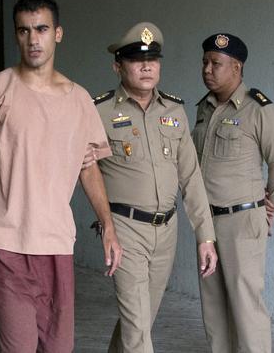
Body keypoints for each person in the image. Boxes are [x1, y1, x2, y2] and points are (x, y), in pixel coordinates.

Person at [0, 0, 122, 352]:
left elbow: (89, 166)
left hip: (56, 243)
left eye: (42, 29)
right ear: (17, 36)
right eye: (24, 30)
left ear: (58, 34)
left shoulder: (79, 100)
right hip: (5, 242)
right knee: (19, 346)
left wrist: (108, 225)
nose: (33, 39)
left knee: (58, 347)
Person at [92, 22, 218, 353]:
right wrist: (105, 226)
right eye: (135, 59)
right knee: (137, 328)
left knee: (141, 320)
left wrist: (206, 237)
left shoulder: (174, 111)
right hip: (125, 229)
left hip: (166, 231)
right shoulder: (99, 112)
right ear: (117, 66)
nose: (146, 67)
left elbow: (191, 177)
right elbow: (80, 170)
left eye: (153, 59)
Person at [192, 33, 274, 353]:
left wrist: (269, 207)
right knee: (214, 307)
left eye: (216, 63)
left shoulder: (257, 108)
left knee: (247, 306)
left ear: (236, 67)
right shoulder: (204, 109)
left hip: (243, 220)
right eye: (205, 62)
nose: (207, 69)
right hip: (208, 223)